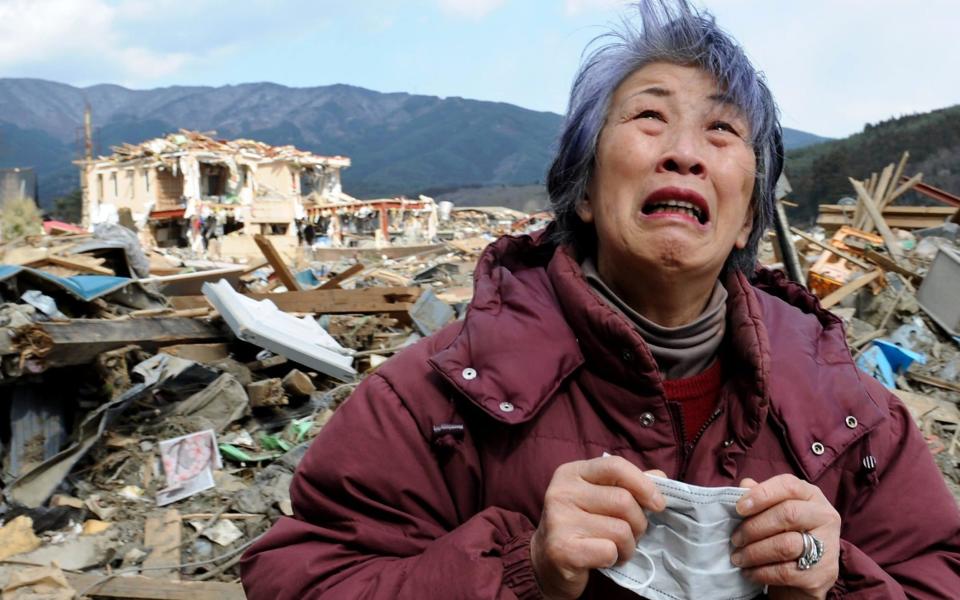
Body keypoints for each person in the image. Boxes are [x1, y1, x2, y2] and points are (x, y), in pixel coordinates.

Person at [240, 1, 960, 598]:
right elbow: (298, 579)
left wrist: (832, 582)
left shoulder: (846, 410)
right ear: (583, 189)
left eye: (721, 128)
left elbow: (939, 575)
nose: (684, 152)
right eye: (649, 117)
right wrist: (524, 567)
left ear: (747, 217)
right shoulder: (436, 398)